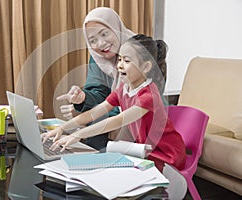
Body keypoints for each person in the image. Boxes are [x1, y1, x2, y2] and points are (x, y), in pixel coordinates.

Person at [42, 34, 186, 171]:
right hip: (144, 149)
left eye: (127, 61)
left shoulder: (149, 96)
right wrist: (63, 128)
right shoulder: (124, 89)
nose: (120, 65)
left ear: (146, 67)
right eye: (120, 59)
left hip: (166, 154)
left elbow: (116, 121)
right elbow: (94, 113)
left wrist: (78, 135)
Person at [57, 7, 167, 150]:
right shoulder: (100, 61)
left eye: (104, 34)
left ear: (116, 28)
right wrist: (82, 99)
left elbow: (122, 113)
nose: (101, 44)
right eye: (93, 40)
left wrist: (80, 132)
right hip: (122, 113)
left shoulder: (141, 52)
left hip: (148, 125)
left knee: (97, 127)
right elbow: (100, 100)